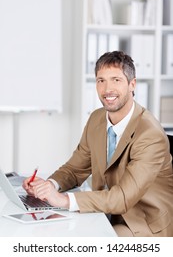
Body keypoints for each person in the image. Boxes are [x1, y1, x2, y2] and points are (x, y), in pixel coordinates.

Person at [23, 51, 173, 237]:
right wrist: (49, 187)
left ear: (132, 84)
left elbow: (122, 198)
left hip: (143, 225)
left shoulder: (150, 134)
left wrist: (62, 200)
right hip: (105, 214)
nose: (107, 89)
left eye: (116, 80)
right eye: (101, 80)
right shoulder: (97, 119)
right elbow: (75, 169)